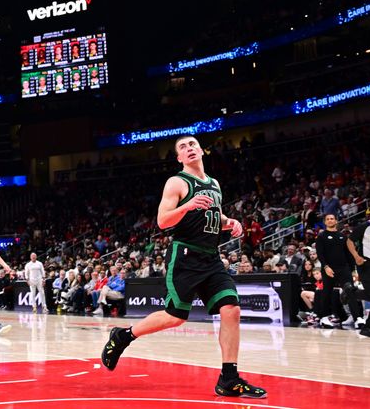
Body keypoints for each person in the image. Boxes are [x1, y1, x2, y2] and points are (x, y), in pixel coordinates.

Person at [100, 136, 266, 398]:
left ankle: (229, 378)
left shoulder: (214, 183)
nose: (189, 149)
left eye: (192, 144)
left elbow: (210, 215)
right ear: (179, 158)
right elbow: (163, 221)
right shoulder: (177, 182)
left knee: (232, 309)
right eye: (182, 147)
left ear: (201, 150)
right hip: (185, 256)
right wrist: (187, 205)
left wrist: (229, 222)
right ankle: (123, 336)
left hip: (211, 258)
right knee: (175, 317)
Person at [315, 214, 364, 328]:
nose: (330, 220)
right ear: (325, 222)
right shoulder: (321, 236)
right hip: (329, 269)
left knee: (350, 292)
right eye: (327, 219)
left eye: (332, 218)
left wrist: (352, 270)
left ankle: (357, 318)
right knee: (326, 292)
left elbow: (348, 254)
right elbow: (320, 254)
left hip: (344, 269)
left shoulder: (342, 236)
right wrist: (326, 267)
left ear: (336, 221)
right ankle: (324, 317)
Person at [347, 203, 370, 338]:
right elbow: (349, 241)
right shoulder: (364, 226)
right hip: (366, 265)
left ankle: (368, 328)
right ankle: (351, 292)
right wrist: (356, 256)